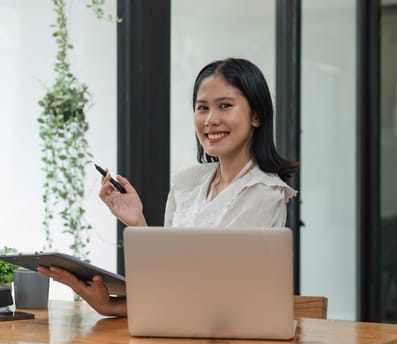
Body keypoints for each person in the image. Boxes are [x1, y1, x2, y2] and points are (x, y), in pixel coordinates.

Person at [37, 57, 299, 317]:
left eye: (225, 106)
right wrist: (137, 222)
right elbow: (174, 279)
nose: (210, 119)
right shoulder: (188, 183)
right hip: (175, 332)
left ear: (256, 116)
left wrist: (111, 306)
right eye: (202, 107)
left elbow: (206, 293)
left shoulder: (265, 193)